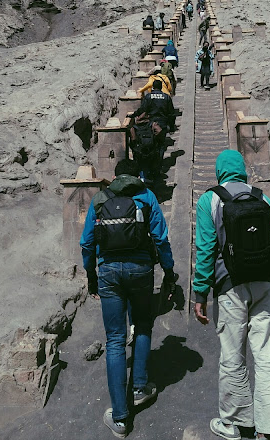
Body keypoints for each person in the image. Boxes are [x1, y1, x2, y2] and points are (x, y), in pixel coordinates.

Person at [193, 149, 270, 440]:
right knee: (267, 358)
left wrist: (200, 292)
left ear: (219, 171)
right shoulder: (264, 199)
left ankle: (236, 424)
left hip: (229, 287)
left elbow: (206, 251)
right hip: (264, 285)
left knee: (233, 356)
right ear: (243, 170)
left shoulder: (209, 200)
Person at [81, 158, 176, 438]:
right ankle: (139, 388)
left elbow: (87, 242)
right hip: (141, 269)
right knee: (144, 325)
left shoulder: (99, 199)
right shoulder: (147, 198)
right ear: (137, 177)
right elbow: (160, 238)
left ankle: (120, 418)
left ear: (116, 176)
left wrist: (91, 275)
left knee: (114, 340)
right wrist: (169, 270)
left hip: (108, 271)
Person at [130, 80, 176, 161]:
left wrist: (133, 114)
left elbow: (142, 110)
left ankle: (152, 163)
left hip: (151, 124)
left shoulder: (148, 97)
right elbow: (171, 113)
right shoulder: (166, 97)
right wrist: (172, 126)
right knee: (161, 144)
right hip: (163, 123)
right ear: (161, 87)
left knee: (152, 143)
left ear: (153, 87)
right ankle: (159, 163)